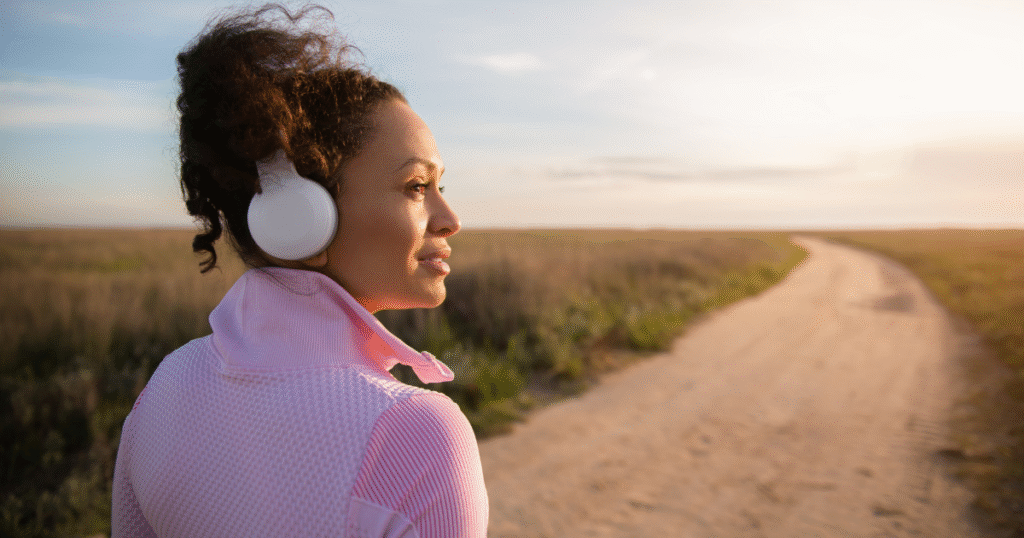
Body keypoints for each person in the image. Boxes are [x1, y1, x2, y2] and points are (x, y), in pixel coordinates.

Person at [111, 4, 488, 537]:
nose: (450, 220)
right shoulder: (418, 434)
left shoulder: (165, 386)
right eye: (417, 187)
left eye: (439, 186)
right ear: (299, 218)